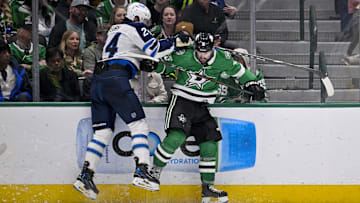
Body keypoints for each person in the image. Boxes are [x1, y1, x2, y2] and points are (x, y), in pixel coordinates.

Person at [73, 2, 176, 200]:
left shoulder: (114, 29)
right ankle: (142, 170)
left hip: (99, 81)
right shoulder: (136, 27)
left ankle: (85, 176)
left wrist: (141, 62)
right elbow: (155, 49)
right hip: (116, 80)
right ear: (137, 18)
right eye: (144, 22)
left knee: (103, 132)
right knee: (139, 124)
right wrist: (175, 41)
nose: (145, 26)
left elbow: (129, 52)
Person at [150, 32, 265, 203]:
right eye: (199, 52)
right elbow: (165, 67)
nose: (203, 56)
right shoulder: (184, 55)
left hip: (202, 106)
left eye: (206, 52)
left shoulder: (222, 59)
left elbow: (240, 72)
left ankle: (207, 187)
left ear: (213, 48)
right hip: (182, 100)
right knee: (176, 137)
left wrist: (252, 83)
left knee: (209, 144)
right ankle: (153, 173)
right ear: (194, 48)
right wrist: (152, 64)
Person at [81, 24, 108, 100]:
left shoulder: (116, 50)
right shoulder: (90, 51)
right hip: (97, 85)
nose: (107, 36)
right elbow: (90, 72)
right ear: (97, 36)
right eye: (104, 34)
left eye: (109, 34)